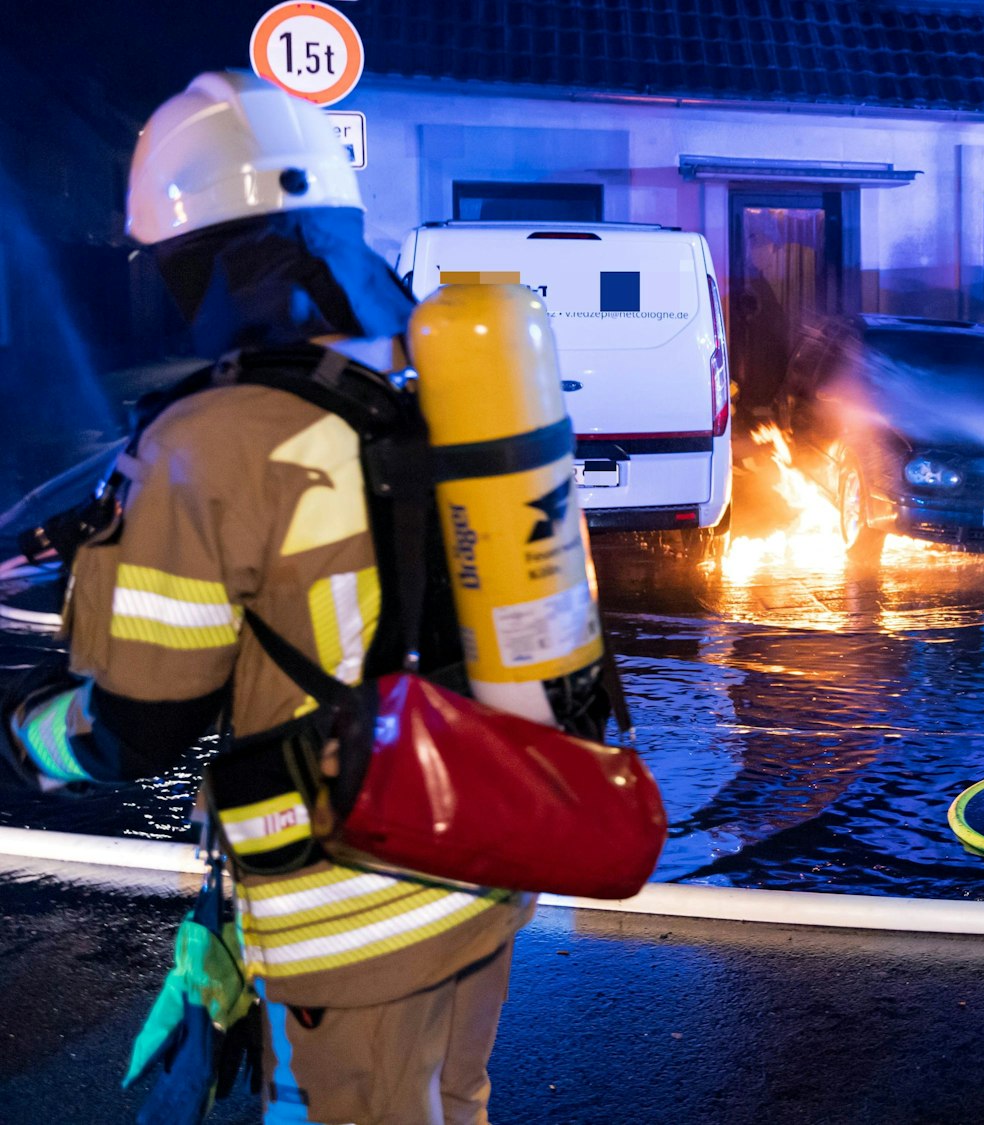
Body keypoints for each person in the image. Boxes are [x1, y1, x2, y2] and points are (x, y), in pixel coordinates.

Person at [0, 72, 601, 1124]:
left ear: (194, 257)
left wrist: (30, 733)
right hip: (492, 831)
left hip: (358, 890)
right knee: (455, 1100)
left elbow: (144, 716)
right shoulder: (434, 371)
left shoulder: (213, 437)